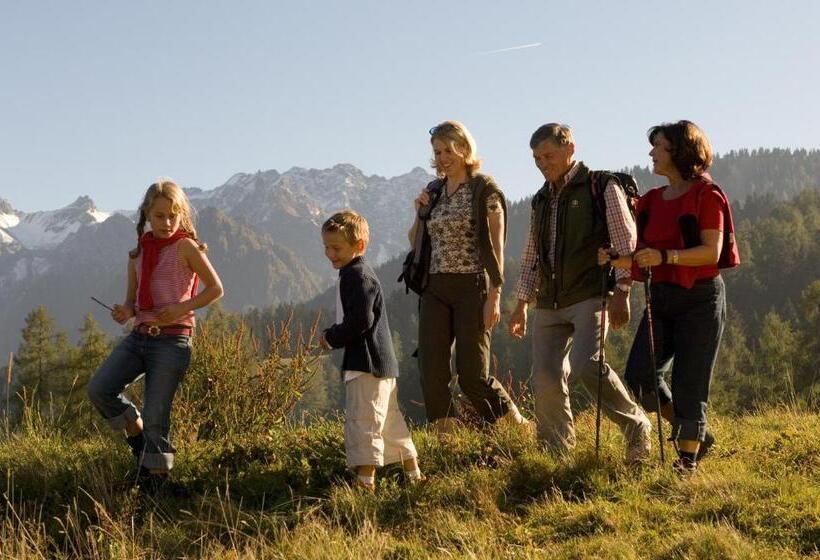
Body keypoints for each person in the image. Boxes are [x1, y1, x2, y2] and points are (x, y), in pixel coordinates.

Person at [508, 123, 652, 463]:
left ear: (570, 148)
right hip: (548, 300)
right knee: (545, 377)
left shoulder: (600, 186)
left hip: (591, 293)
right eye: (537, 158)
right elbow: (531, 254)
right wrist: (521, 303)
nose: (542, 164)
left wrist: (623, 290)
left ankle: (636, 426)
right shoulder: (541, 199)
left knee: (586, 365)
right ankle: (556, 455)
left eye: (548, 155)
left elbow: (625, 240)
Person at [600, 120, 736, 474]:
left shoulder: (707, 195)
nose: (651, 152)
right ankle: (694, 433)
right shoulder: (650, 201)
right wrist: (617, 259)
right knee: (640, 377)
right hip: (661, 296)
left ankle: (686, 461)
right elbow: (643, 255)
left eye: (658, 146)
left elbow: (710, 252)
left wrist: (665, 257)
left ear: (680, 150)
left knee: (690, 380)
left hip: (700, 297)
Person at [87, 179, 224, 491]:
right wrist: (125, 311)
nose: (167, 222)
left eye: (174, 215)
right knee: (100, 389)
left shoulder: (186, 247)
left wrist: (181, 309)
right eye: (160, 216)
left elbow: (216, 289)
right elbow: (132, 302)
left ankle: (156, 483)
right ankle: (140, 447)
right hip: (139, 337)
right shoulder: (137, 254)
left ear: (182, 215)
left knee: (156, 414)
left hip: (173, 340)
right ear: (147, 214)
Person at [411, 120, 530, 435]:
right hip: (434, 287)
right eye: (438, 152)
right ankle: (447, 437)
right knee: (431, 368)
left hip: (472, 288)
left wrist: (494, 296)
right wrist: (419, 212)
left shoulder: (485, 190)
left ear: (464, 149)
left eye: (448, 151)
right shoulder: (434, 191)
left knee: (472, 374)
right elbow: (415, 241)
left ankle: (517, 428)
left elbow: (497, 247)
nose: (442, 158)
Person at [320, 211, 422, 490]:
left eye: (336, 248)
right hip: (381, 363)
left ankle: (365, 484)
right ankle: (414, 476)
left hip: (366, 363)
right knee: (388, 422)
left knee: (364, 422)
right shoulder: (356, 273)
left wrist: (331, 337)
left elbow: (361, 320)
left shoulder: (356, 275)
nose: (330, 254)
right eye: (326, 247)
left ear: (360, 246)